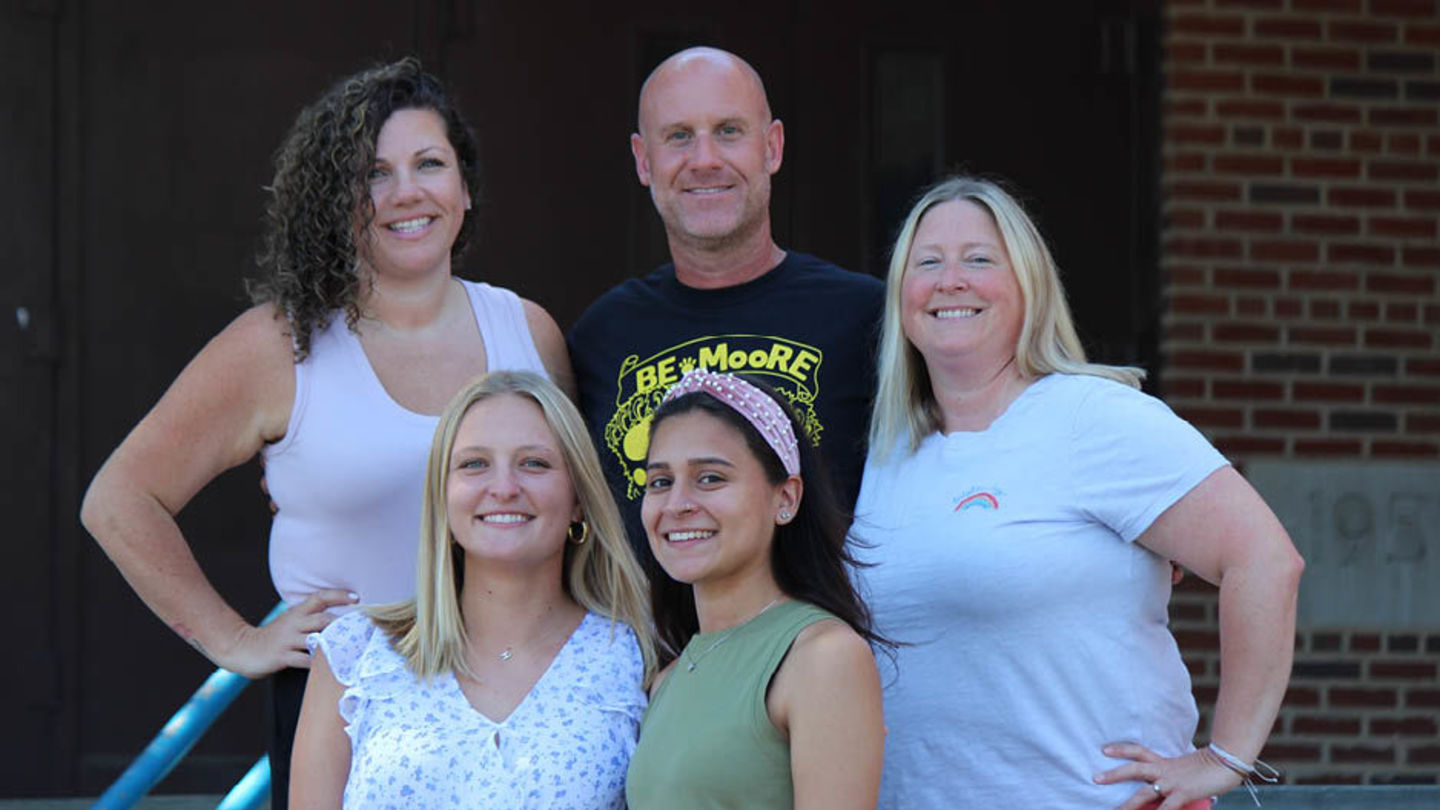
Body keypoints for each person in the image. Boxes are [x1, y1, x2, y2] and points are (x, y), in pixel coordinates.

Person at [78, 58, 571, 807]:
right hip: (344, 706)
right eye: (374, 173)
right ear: (334, 200)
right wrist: (234, 641)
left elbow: (578, 514)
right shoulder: (281, 345)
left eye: (429, 164)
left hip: (524, 688)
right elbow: (118, 499)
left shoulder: (529, 331)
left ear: (464, 188)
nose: (406, 192)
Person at [852, 175, 1304, 809]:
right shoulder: (888, 453)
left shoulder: (1092, 416)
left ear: (1028, 286)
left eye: (979, 259)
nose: (950, 280)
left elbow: (1263, 559)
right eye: (928, 262)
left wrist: (1226, 756)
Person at [568, 47, 883, 555]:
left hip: (813, 632)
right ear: (644, 160)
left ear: (772, 147)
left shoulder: (866, 318)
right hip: (651, 636)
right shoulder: (600, 337)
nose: (706, 159)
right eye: (679, 137)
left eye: (729, 131)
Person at [291, 370, 655, 809]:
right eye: (474, 464)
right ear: (442, 497)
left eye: (534, 463)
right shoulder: (354, 654)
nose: (503, 488)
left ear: (578, 498)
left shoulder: (637, 656)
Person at [625, 369, 885, 809]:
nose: (677, 504)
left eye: (710, 478)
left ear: (785, 499)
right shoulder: (666, 678)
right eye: (660, 482)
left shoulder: (823, 657)